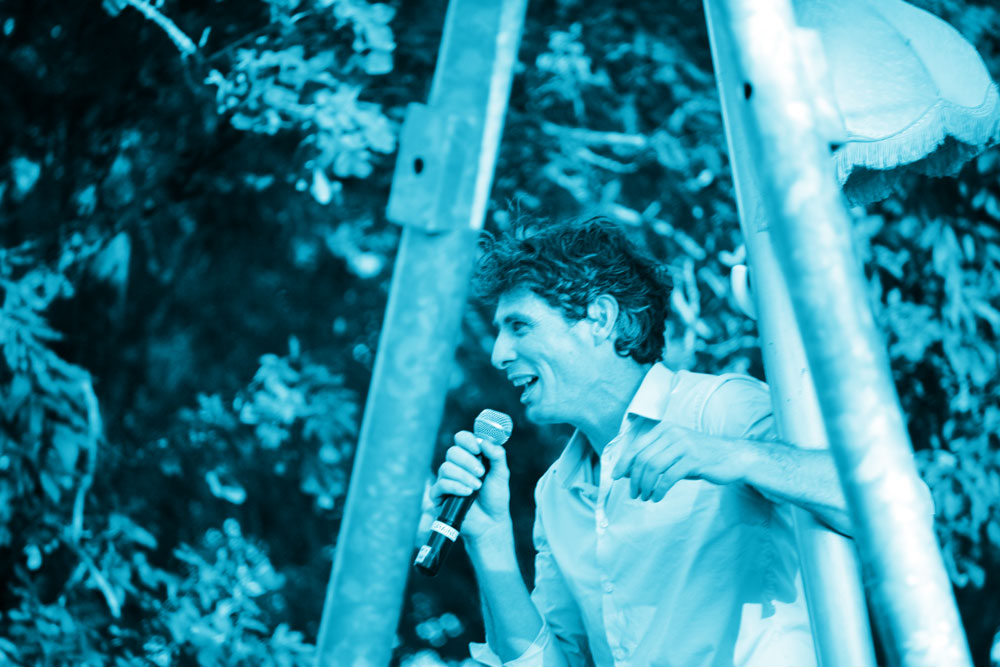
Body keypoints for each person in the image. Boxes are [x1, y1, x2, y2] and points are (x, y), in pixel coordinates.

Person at [422, 216, 851, 666]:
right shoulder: (554, 493)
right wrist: (489, 538)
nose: (499, 353)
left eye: (519, 325)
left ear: (600, 318)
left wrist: (738, 456)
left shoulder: (721, 410)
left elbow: (882, 505)